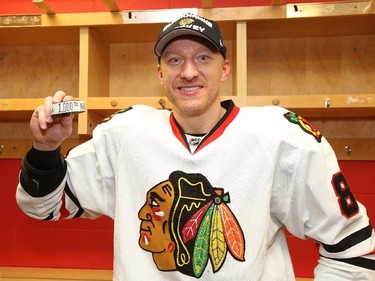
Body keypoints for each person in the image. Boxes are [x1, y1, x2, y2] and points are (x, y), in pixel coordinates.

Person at [16, 13, 375, 280]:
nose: (188, 72)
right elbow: (46, 207)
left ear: (225, 69)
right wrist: (45, 150)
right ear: (160, 74)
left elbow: (355, 251)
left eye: (203, 57)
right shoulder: (125, 134)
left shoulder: (281, 138)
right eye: (174, 60)